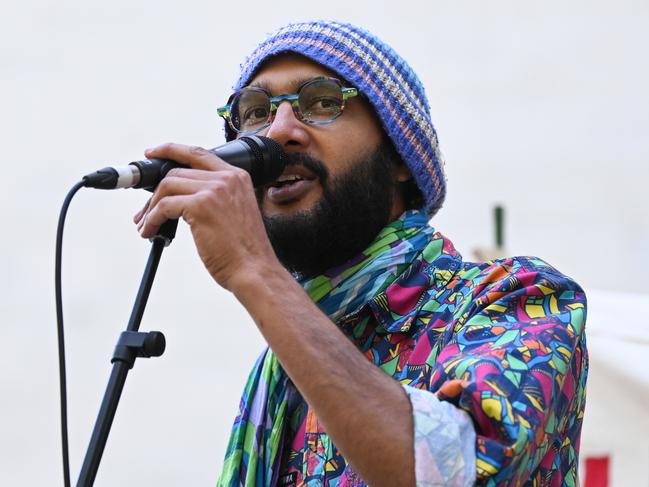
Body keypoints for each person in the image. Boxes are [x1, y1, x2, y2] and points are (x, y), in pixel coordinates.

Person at [134, 21, 587, 487]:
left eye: (324, 101)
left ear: (399, 157)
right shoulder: (287, 360)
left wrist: (254, 270)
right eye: (255, 112)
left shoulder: (519, 298)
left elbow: (448, 472)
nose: (279, 132)